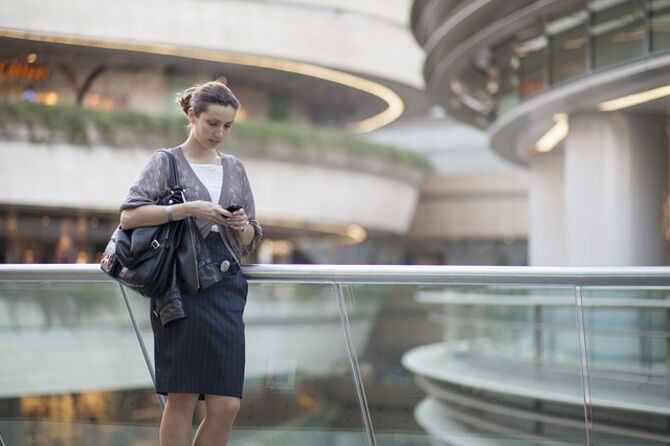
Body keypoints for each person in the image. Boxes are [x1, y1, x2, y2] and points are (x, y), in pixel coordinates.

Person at [119, 80, 262, 446]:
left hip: (226, 288)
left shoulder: (236, 168)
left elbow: (251, 240)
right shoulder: (165, 161)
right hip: (180, 288)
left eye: (227, 126)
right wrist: (187, 209)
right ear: (191, 115)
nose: (220, 133)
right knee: (181, 397)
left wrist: (242, 226)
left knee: (227, 403)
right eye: (212, 123)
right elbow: (130, 217)